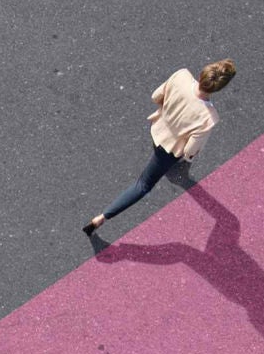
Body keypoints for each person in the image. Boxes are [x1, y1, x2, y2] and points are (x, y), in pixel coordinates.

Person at [85, 59, 237, 235]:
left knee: (145, 179)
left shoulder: (181, 76)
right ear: (218, 88)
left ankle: (101, 217)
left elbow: (156, 96)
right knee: (143, 185)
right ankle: (102, 217)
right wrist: (187, 158)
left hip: (157, 129)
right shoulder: (209, 117)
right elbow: (190, 151)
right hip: (168, 151)